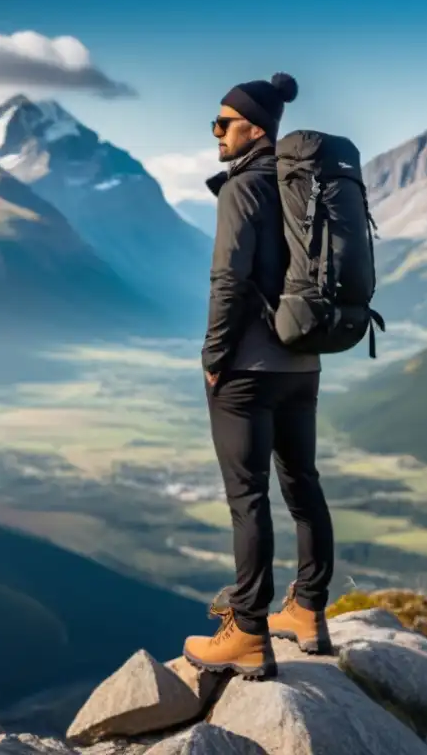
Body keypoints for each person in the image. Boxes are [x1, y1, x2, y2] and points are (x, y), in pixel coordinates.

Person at [182, 73, 335, 680]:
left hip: (246, 369)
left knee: (248, 500)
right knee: (303, 485)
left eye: (223, 123)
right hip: (304, 362)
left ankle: (247, 631)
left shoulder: (242, 188)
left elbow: (230, 280)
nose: (216, 133)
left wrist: (214, 358)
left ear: (254, 127)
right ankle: (308, 611)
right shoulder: (305, 187)